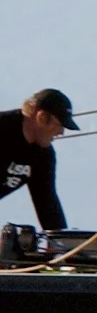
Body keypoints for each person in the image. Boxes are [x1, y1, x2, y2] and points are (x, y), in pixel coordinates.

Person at [0, 89, 77, 231]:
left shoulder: (43, 156)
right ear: (41, 117)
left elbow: (47, 205)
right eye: (60, 125)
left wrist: (61, 242)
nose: (61, 133)